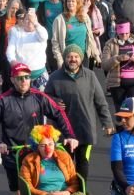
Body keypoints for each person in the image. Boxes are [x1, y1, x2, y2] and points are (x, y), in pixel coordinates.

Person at [0, 61, 78, 195]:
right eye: (19, 78)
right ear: (12, 80)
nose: (24, 81)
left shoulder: (39, 97)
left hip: (37, 151)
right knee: (20, 192)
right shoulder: (3, 100)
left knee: (41, 185)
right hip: (13, 152)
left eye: (27, 77)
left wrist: (70, 135)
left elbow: (59, 113)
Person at [44, 44, 114, 180]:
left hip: (85, 130)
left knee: (83, 163)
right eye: (69, 56)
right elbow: (45, 100)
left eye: (76, 56)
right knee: (64, 164)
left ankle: (81, 191)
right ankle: (67, 190)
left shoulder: (90, 76)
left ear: (81, 59)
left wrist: (108, 123)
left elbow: (100, 102)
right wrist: (54, 102)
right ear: (65, 58)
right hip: (62, 131)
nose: (73, 59)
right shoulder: (54, 77)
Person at [18, 125, 97, 195]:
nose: (47, 149)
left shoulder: (64, 156)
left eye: (50, 144)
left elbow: (74, 181)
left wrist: (67, 192)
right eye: (43, 145)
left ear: (54, 144)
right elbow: (28, 187)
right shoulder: (29, 160)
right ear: (37, 147)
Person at [102, 22, 134, 111]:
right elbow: (105, 65)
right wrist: (118, 58)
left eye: (127, 33)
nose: (124, 36)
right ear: (117, 32)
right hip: (117, 84)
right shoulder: (110, 44)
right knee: (120, 111)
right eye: (121, 34)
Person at [50, 0, 100, 70]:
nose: (70, 3)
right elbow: (55, 42)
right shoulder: (59, 19)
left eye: (73, 1)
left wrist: (96, 55)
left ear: (77, 3)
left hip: (84, 57)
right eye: (68, 1)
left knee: (84, 77)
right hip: (69, 58)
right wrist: (59, 60)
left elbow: (90, 38)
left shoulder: (85, 17)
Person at [5, 7, 50, 90]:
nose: (29, 22)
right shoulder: (16, 32)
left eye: (32, 20)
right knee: (22, 97)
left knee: (42, 97)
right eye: (27, 19)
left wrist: (35, 22)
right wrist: (12, 61)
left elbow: (44, 36)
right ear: (23, 21)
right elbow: (10, 50)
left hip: (39, 75)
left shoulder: (40, 31)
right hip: (22, 75)